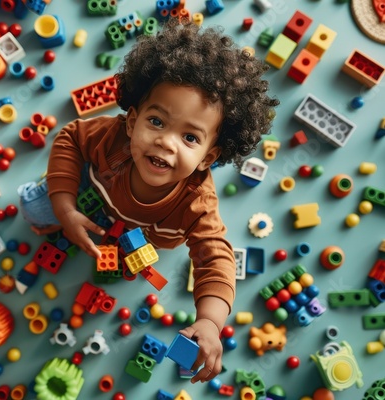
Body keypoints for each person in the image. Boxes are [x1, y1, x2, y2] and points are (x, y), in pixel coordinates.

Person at [18, 19, 279, 383]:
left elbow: (214, 257)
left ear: (207, 157)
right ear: (132, 121)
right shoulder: (111, 138)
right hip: (91, 194)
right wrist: (64, 207)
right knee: (33, 206)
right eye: (157, 122)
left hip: (146, 232)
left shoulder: (195, 204)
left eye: (190, 137)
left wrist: (209, 321)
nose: (166, 142)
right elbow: (69, 138)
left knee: (134, 252)